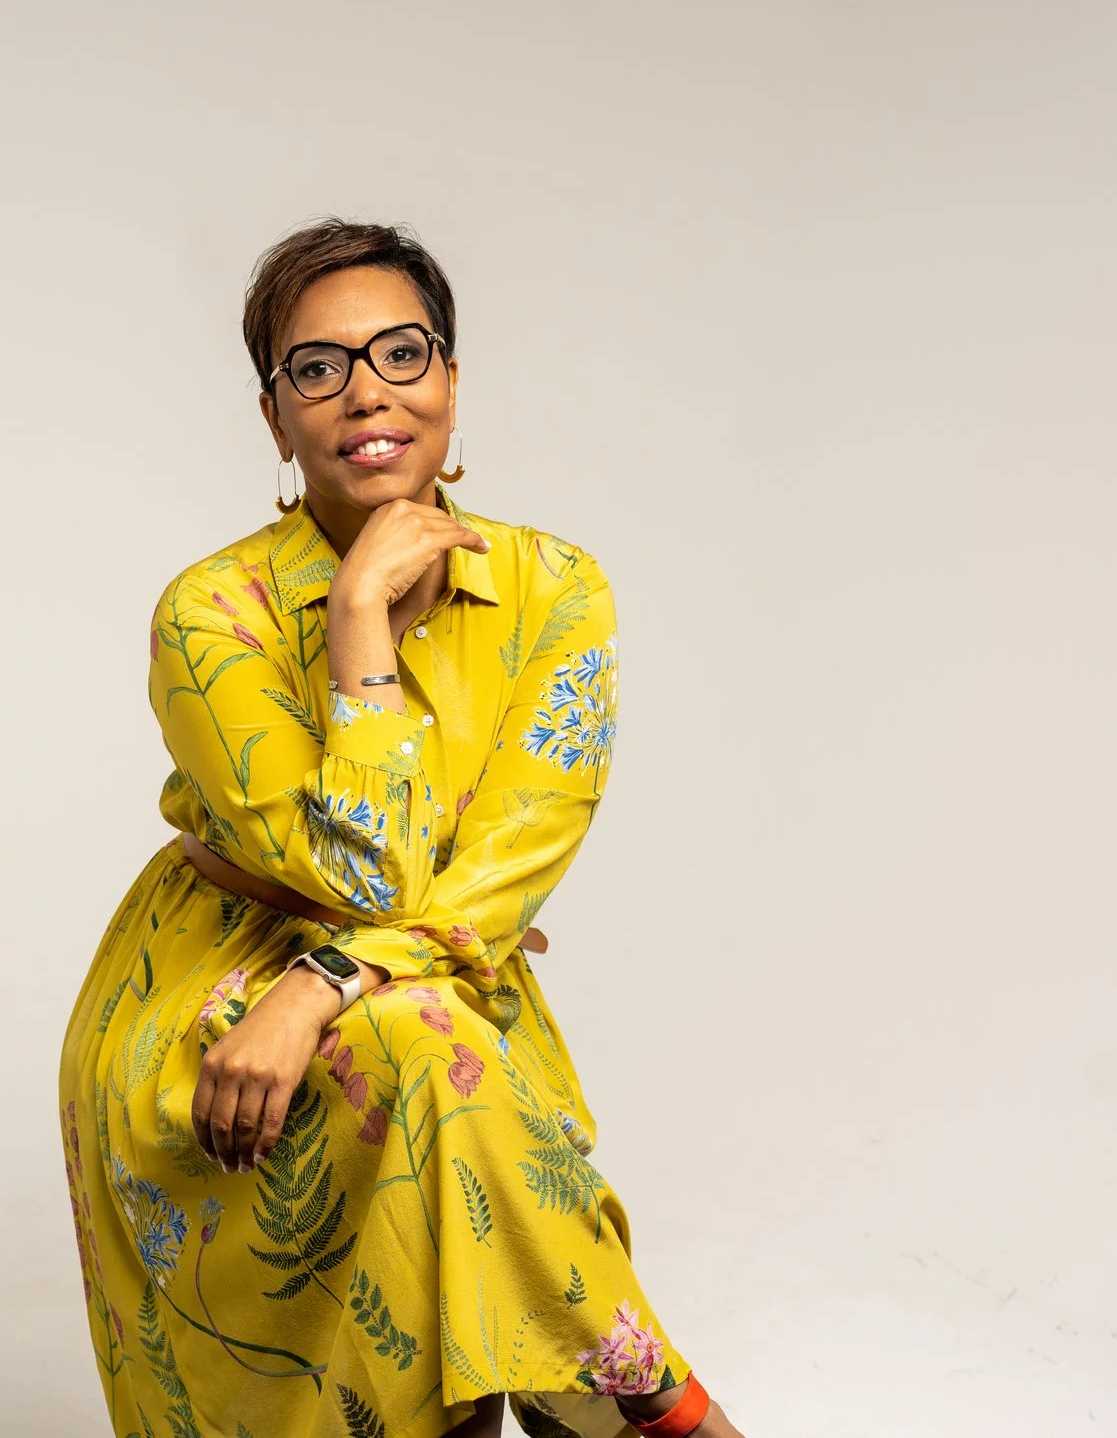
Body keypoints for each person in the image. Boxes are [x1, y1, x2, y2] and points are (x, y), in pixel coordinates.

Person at [56, 220, 746, 1438]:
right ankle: (656, 1409)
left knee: (426, 1055)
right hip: (216, 1009)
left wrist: (327, 982)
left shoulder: (554, 589)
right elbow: (361, 876)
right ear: (274, 417)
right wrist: (357, 617)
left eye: (401, 352)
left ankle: (635, 1407)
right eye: (317, 367)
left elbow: (510, 866)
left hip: (405, 994)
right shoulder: (210, 613)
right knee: (430, 1053)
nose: (366, 390)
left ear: (451, 382)